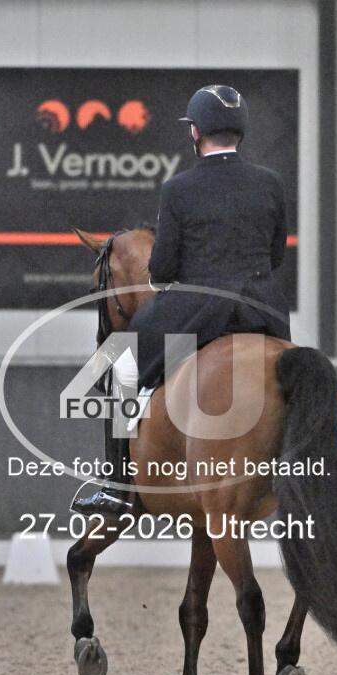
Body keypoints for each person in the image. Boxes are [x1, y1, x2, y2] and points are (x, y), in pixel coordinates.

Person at [72, 84, 291, 517]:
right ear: (240, 130)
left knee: (117, 367)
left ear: (196, 131)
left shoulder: (179, 189)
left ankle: (117, 488)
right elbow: (276, 254)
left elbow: (164, 268)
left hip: (201, 311)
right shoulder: (270, 183)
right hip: (264, 310)